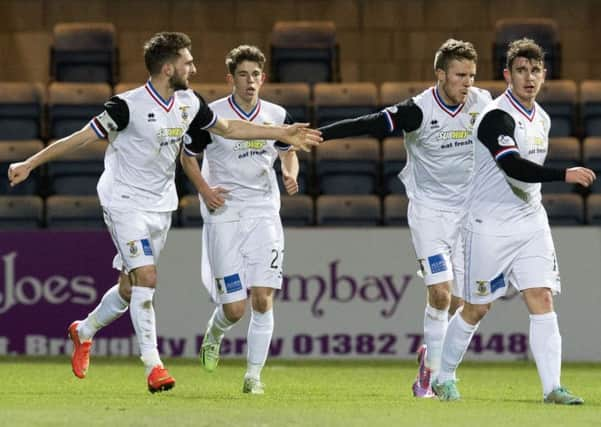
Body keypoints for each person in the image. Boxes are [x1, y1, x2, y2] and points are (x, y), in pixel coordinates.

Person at [7, 32, 321, 394]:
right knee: (147, 277)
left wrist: (283, 132)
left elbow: (230, 128)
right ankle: (153, 367)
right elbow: (79, 137)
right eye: (188, 62)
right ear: (169, 67)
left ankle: (84, 330)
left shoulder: (189, 102)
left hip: (160, 205)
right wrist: (30, 163)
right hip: (123, 200)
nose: (194, 67)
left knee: (128, 288)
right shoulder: (126, 106)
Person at [318, 39, 491, 398]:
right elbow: (370, 123)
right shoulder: (418, 110)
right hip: (429, 212)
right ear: (440, 74)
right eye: (460, 75)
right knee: (441, 295)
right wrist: (321, 134)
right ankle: (431, 377)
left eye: (472, 76)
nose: (467, 83)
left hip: (469, 214)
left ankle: (433, 350)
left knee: (463, 303)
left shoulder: (483, 103)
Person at [431, 38, 594, 404]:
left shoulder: (544, 118)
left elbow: (526, 178)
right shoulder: (496, 118)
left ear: (544, 75)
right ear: (507, 75)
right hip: (488, 224)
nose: (529, 78)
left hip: (531, 221)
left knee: (541, 298)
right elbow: (512, 165)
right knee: (476, 308)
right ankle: (443, 376)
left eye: (535, 70)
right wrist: (564, 175)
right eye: (521, 70)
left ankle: (553, 387)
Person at [179, 45, 299, 395]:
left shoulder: (276, 114)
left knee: (263, 297)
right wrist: (204, 190)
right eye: (243, 75)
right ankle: (214, 336)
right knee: (233, 308)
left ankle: (253, 376)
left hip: (263, 211)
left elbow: (288, 150)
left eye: (256, 75)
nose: (251, 82)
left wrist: (291, 173)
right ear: (230, 78)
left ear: (264, 78)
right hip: (224, 212)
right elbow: (188, 157)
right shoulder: (210, 116)